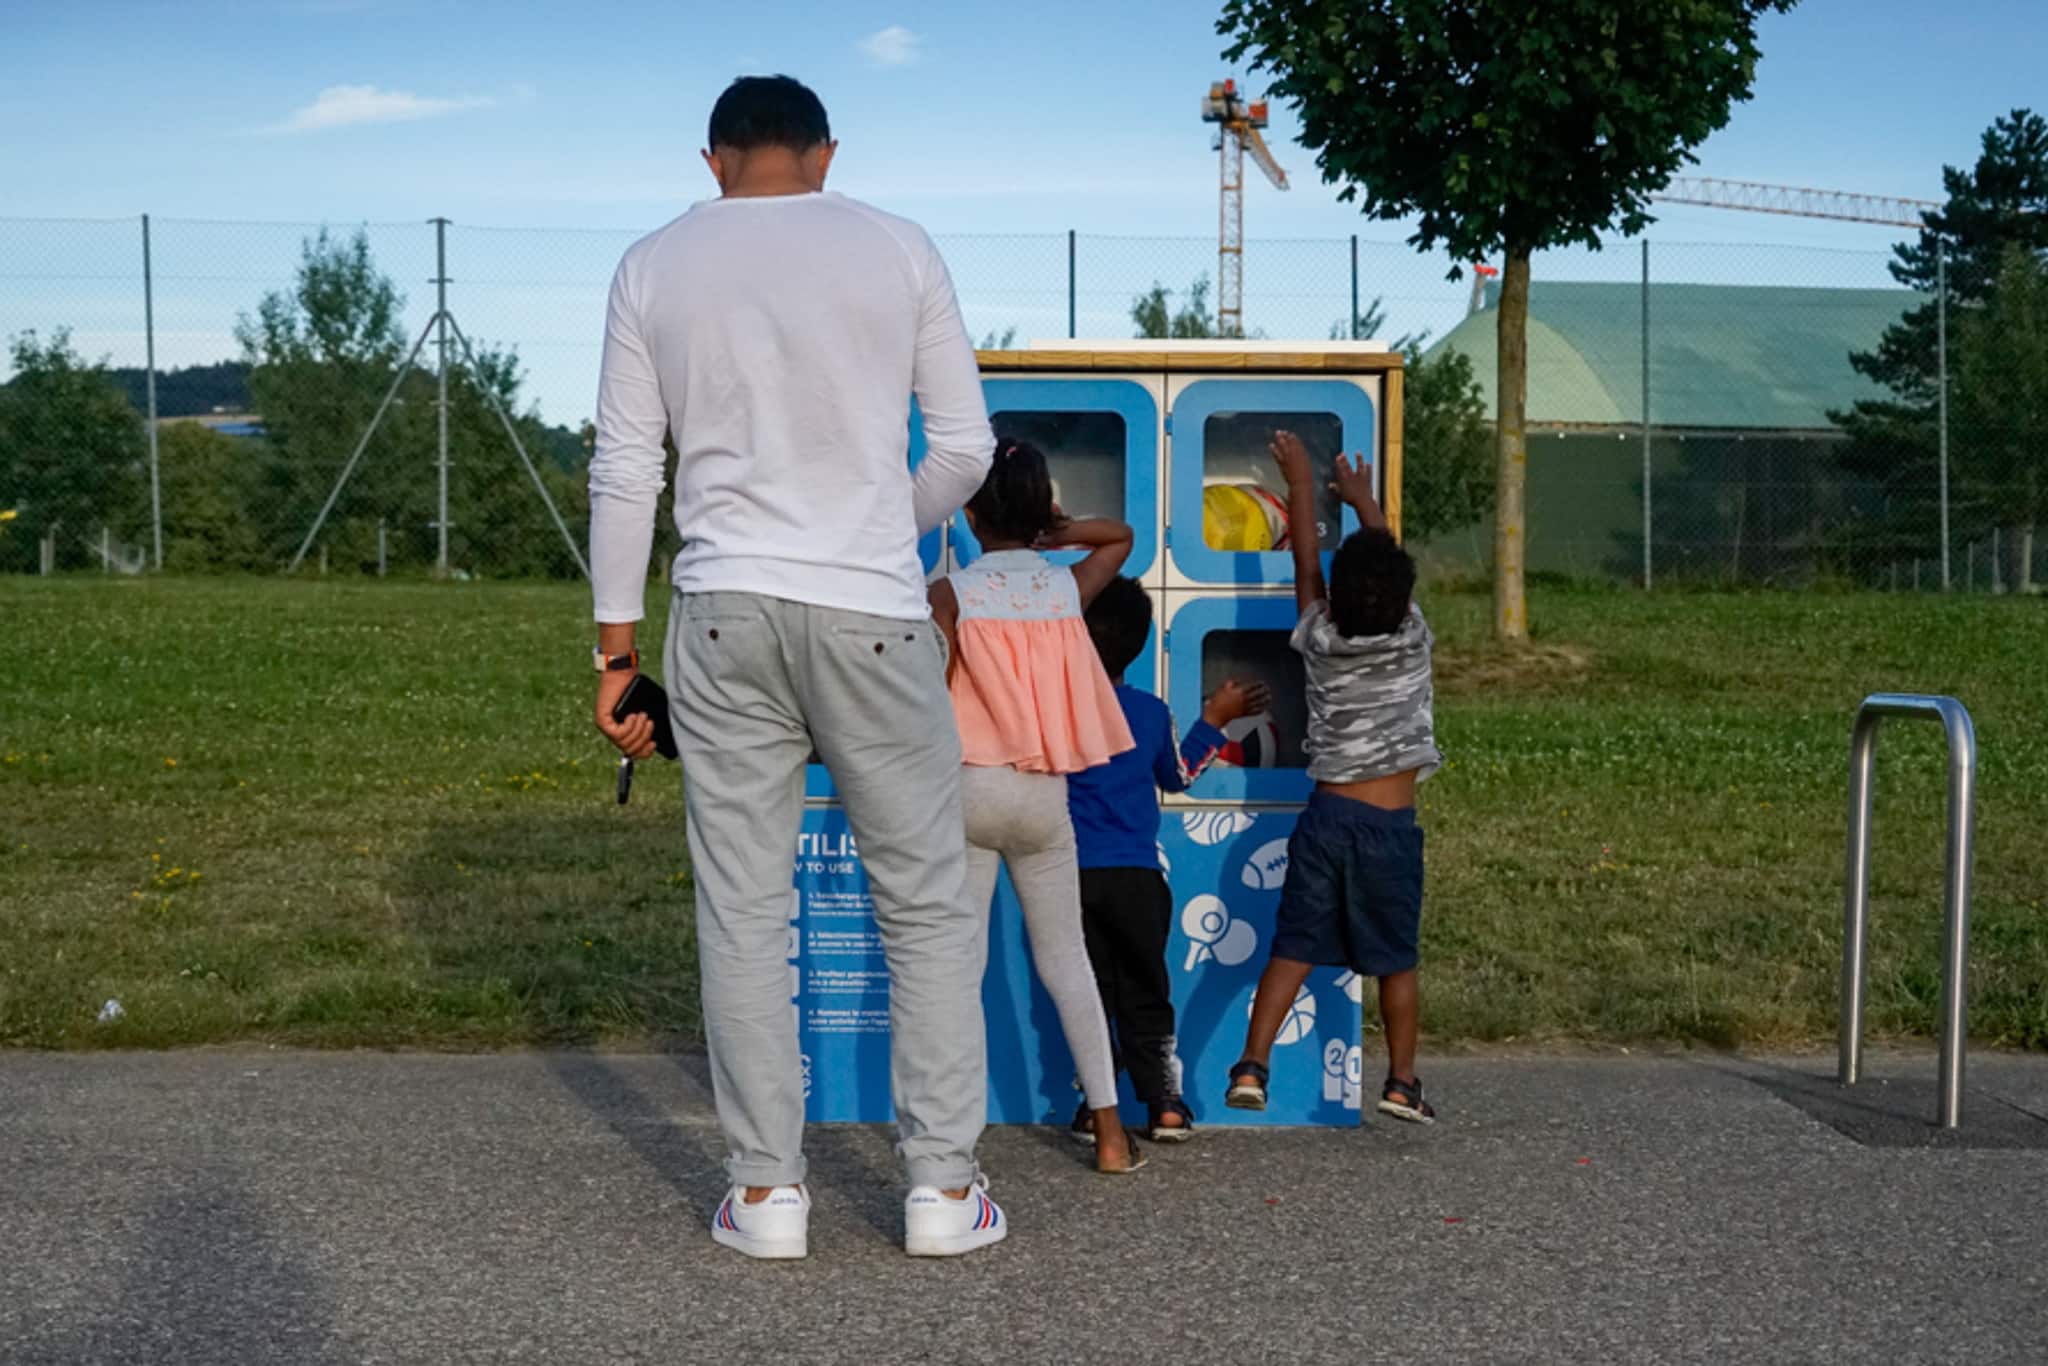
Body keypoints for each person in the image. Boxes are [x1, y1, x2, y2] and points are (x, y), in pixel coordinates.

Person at [587, 75, 1006, 1260]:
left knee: (743, 909)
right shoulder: (898, 246)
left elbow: (627, 471)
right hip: (874, 607)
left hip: (721, 613)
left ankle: (766, 1196)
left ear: (712, 161)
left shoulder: (651, 264)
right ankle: (939, 1191)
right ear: (824, 155)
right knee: (923, 908)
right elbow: (968, 449)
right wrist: (883, 519)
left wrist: (617, 651)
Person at [928, 440, 1148, 1175]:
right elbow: (1120, 537)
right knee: (1067, 960)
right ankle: (1113, 1135)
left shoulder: (950, 594)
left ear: (965, 509)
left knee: (959, 965)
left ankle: (951, 1142)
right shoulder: (1061, 591)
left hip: (968, 788)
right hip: (1044, 797)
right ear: (1043, 509)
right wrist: (1057, 531)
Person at [1224, 432, 1443, 1125]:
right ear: (1404, 599)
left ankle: (1253, 1065)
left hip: (1324, 822)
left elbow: (1307, 570)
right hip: (1389, 829)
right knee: (1396, 961)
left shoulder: (1318, 635)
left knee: (1293, 947)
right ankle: (1402, 1082)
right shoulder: (1413, 637)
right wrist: (1364, 501)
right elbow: (1382, 570)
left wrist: (1299, 487)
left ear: (1336, 600)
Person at [1065, 577, 1269, 1144]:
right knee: (1147, 989)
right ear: (1139, 642)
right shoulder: (1151, 713)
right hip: (1138, 879)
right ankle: (1166, 1105)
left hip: (1071, 878)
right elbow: (1178, 776)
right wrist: (1215, 719)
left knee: (1090, 993)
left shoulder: (1056, 711)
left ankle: (1094, 1108)